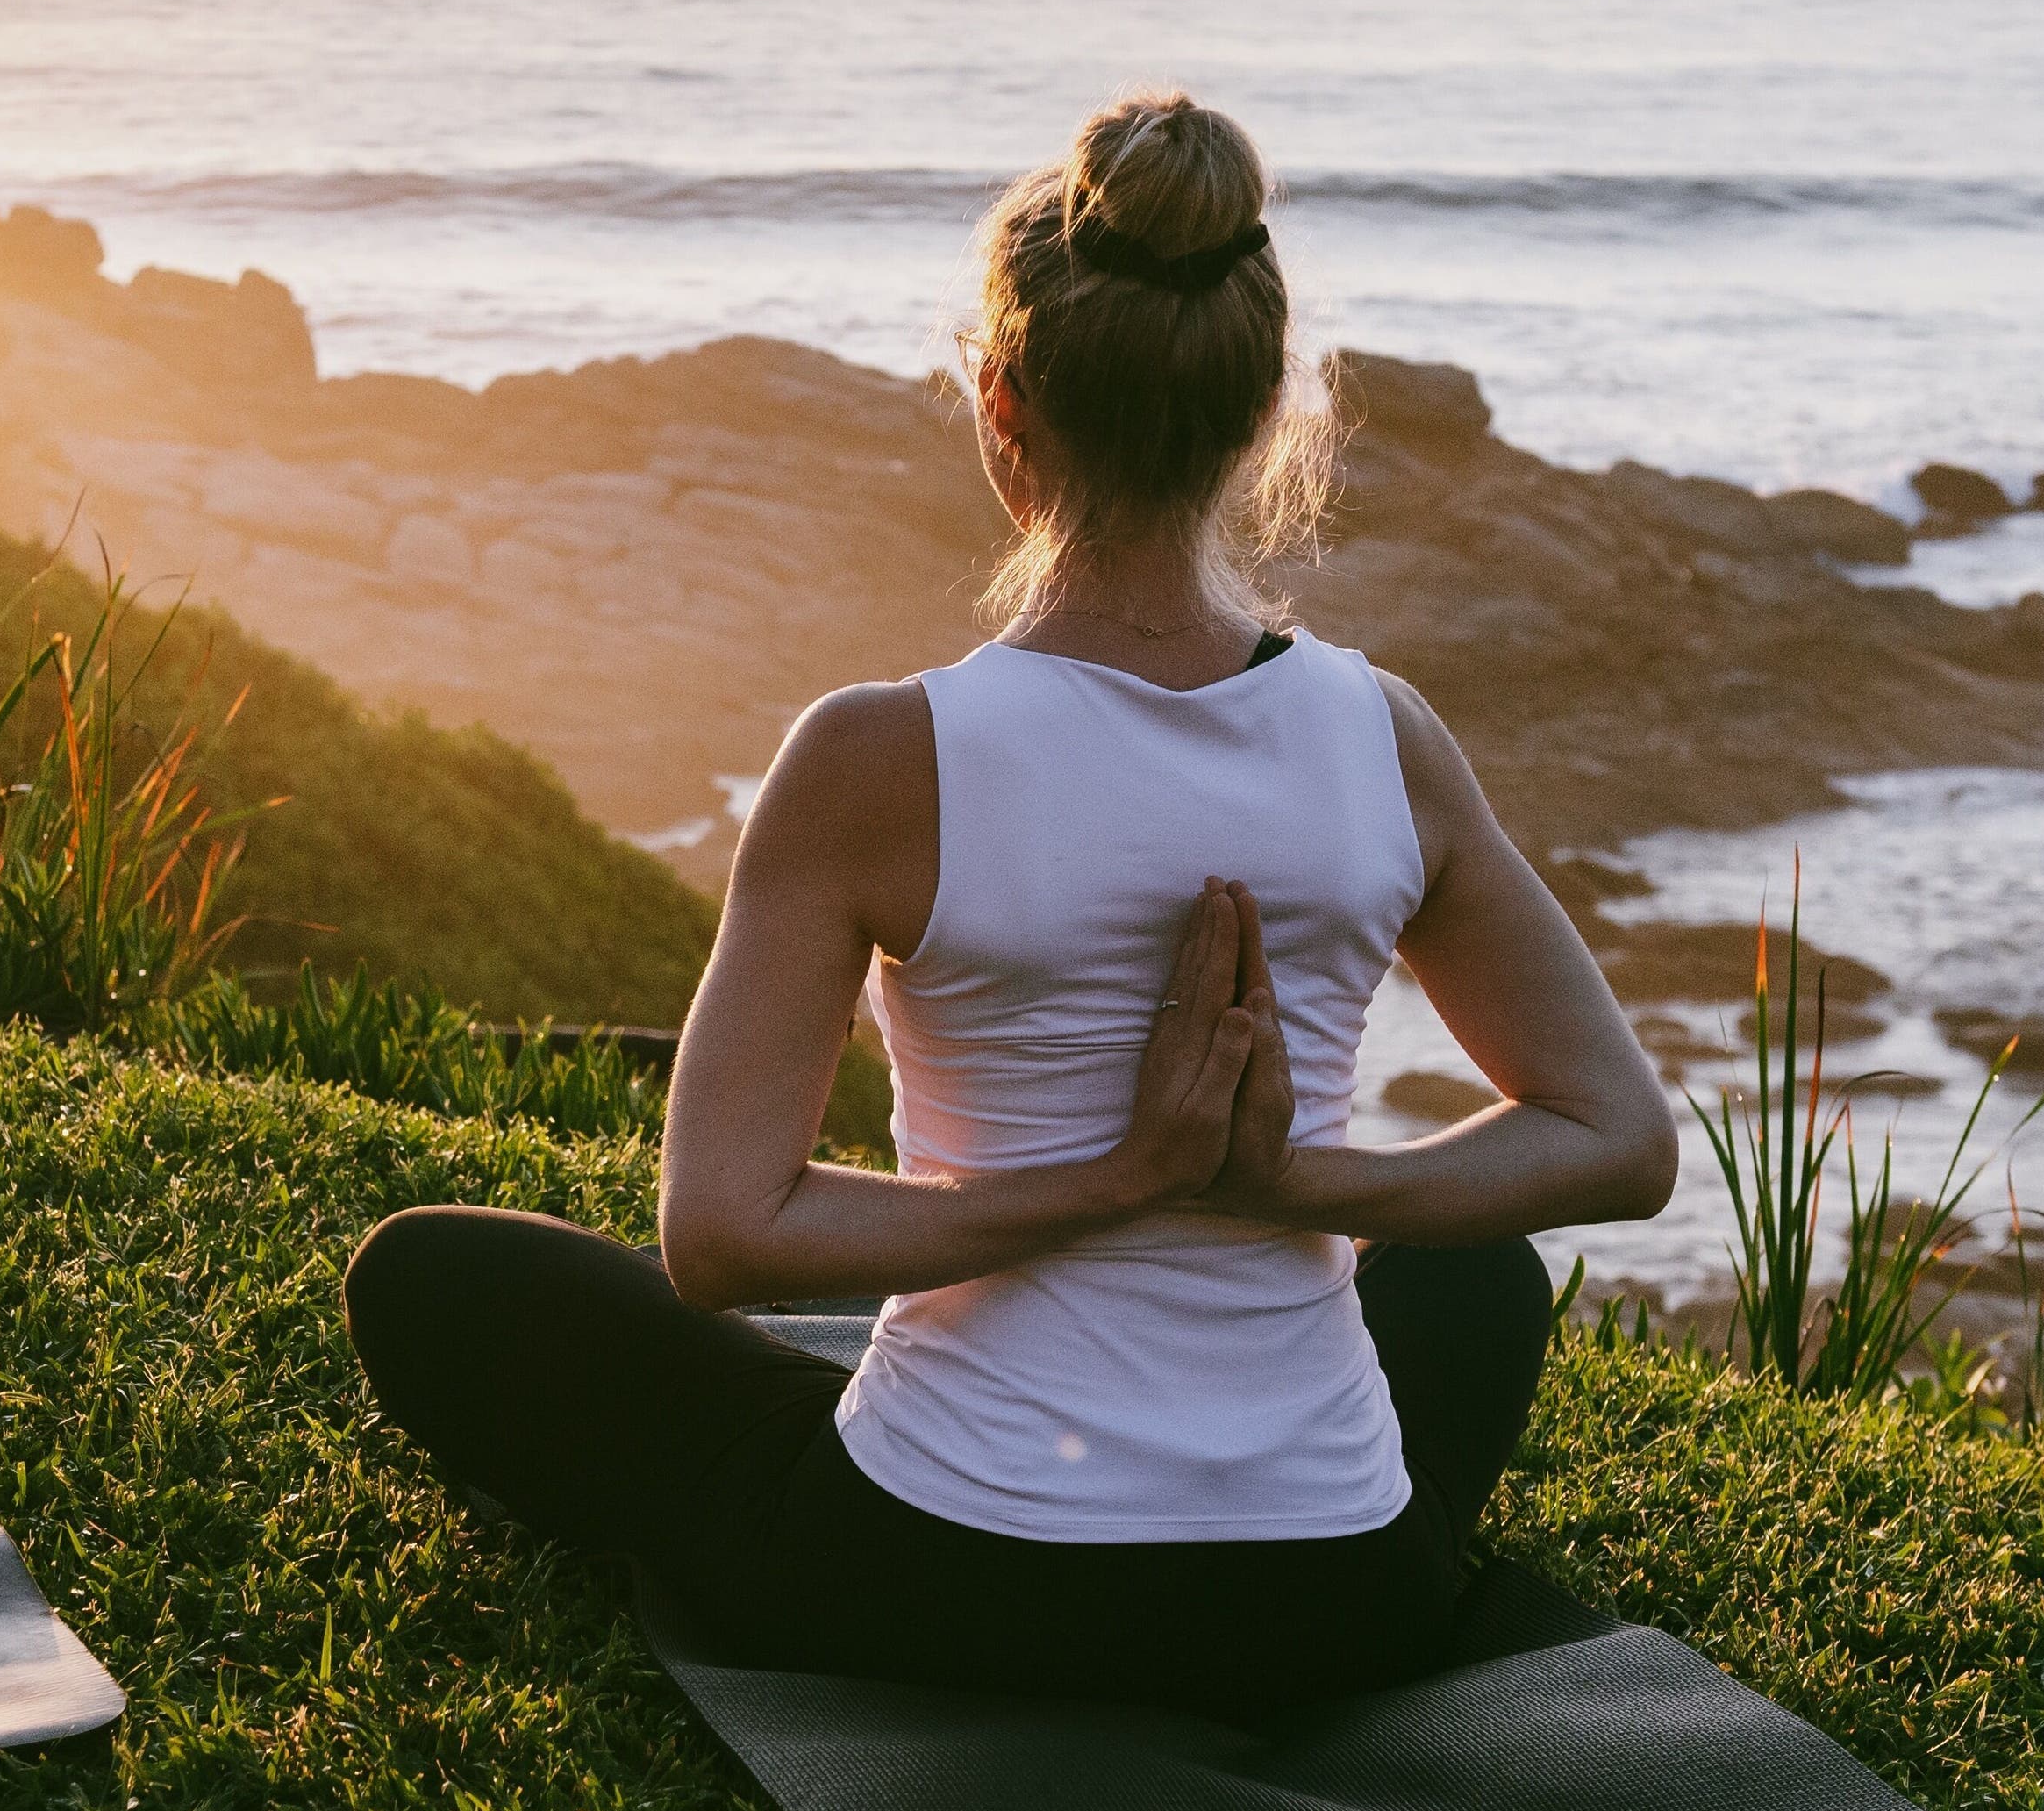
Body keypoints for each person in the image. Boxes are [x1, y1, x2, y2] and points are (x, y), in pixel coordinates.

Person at [346, 93, 1676, 1717]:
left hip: (943, 1577)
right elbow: (1616, 1137)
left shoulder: (874, 756)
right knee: (1474, 1277)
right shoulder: (1382, 736)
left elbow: (723, 1234)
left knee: (430, 1275)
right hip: (1338, 1596)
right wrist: (1290, 1186)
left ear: (1001, 400)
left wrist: (1113, 1184)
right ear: (1265, 410)